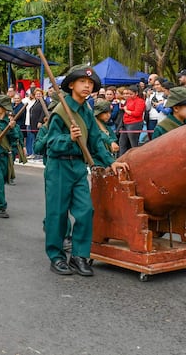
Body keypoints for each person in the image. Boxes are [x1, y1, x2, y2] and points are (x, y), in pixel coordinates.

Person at [43, 65, 129, 276]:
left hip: (78, 167)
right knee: (58, 213)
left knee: (85, 210)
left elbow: (95, 141)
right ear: (71, 85)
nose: (87, 86)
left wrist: (110, 162)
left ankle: (79, 255)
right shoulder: (61, 111)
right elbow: (50, 143)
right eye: (82, 82)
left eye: (90, 83)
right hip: (59, 166)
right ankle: (56, 256)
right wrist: (68, 138)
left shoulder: (86, 112)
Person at [118, 85, 145, 156]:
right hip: (125, 123)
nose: (129, 96)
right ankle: (122, 159)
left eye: (131, 94)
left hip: (134, 123)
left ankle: (136, 158)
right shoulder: (129, 100)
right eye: (128, 94)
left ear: (136, 93)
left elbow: (137, 113)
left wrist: (126, 110)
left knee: (134, 144)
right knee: (122, 143)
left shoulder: (140, 101)